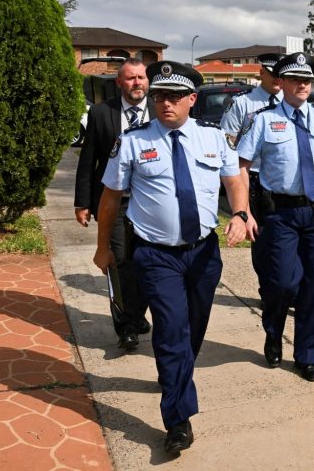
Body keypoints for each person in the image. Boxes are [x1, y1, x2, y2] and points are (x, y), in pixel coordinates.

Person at [93, 61, 247, 455]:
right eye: (160, 96)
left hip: (202, 254)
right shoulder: (132, 142)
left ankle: (176, 373)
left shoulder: (214, 139)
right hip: (156, 256)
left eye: (175, 97)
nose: (166, 104)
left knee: (192, 330)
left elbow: (233, 180)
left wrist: (242, 214)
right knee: (171, 331)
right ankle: (178, 419)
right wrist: (102, 246)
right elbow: (110, 198)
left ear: (192, 100)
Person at [236, 52, 314, 383]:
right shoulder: (262, 120)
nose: (303, 84)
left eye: (307, 79)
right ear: (282, 83)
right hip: (280, 215)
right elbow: (242, 166)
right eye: (295, 79)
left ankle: (307, 356)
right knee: (282, 282)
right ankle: (273, 332)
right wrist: (243, 211)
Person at [74, 58, 152, 351]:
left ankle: (136, 314)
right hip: (114, 202)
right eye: (130, 78)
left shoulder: (160, 112)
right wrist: (82, 202)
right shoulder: (101, 112)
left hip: (150, 203)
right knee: (119, 262)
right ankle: (126, 327)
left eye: (141, 78)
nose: (137, 83)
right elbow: (88, 160)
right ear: (119, 83)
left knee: (146, 262)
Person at [219, 52, 283, 292]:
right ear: (261, 73)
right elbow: (228, 144)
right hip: (254, 179)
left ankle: (289, 289)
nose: (277, 79)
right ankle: (268, 290)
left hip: (283, 180)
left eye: (281, 75)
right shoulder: (243, 103)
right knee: (262, 240)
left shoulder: (290, 102)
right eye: (272, 74)